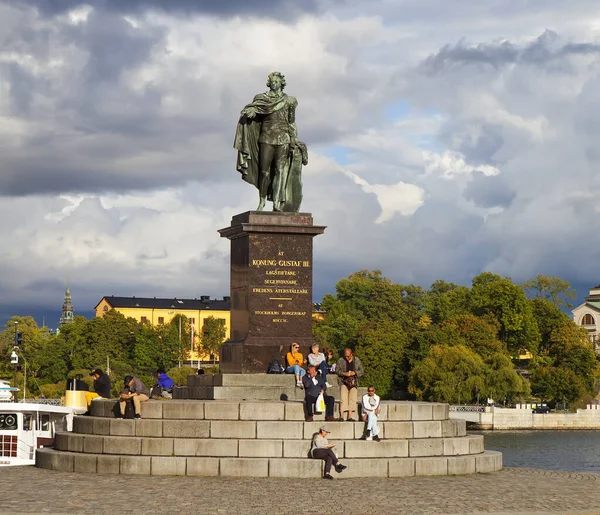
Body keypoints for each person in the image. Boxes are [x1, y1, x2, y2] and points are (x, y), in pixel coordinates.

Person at [234, 71, 307, 212]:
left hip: (283, 139)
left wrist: (294, 139)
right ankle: (262, 201)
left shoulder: (290, 101)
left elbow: (291, 122)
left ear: (281, 83)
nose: (274, 84)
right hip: (266, 138)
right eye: (272, 82)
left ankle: (277, 203)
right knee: (264, 171)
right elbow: (253, 109)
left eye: (276, 82)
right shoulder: (262, 98)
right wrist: (249, 112)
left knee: (280, 171)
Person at [336, 348, 364, 421]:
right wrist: (344, 373)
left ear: (351, 354)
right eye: (346, 356)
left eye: (348, 356)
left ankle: (349, 416)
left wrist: (355, 373)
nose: (347, 357)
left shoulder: (357, 360)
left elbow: (361, 370)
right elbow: (337, 370)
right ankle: (341, 416)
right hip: (343, 381)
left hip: (353, 382)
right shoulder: (340, 360)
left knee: (352, 398)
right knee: (343, 398)